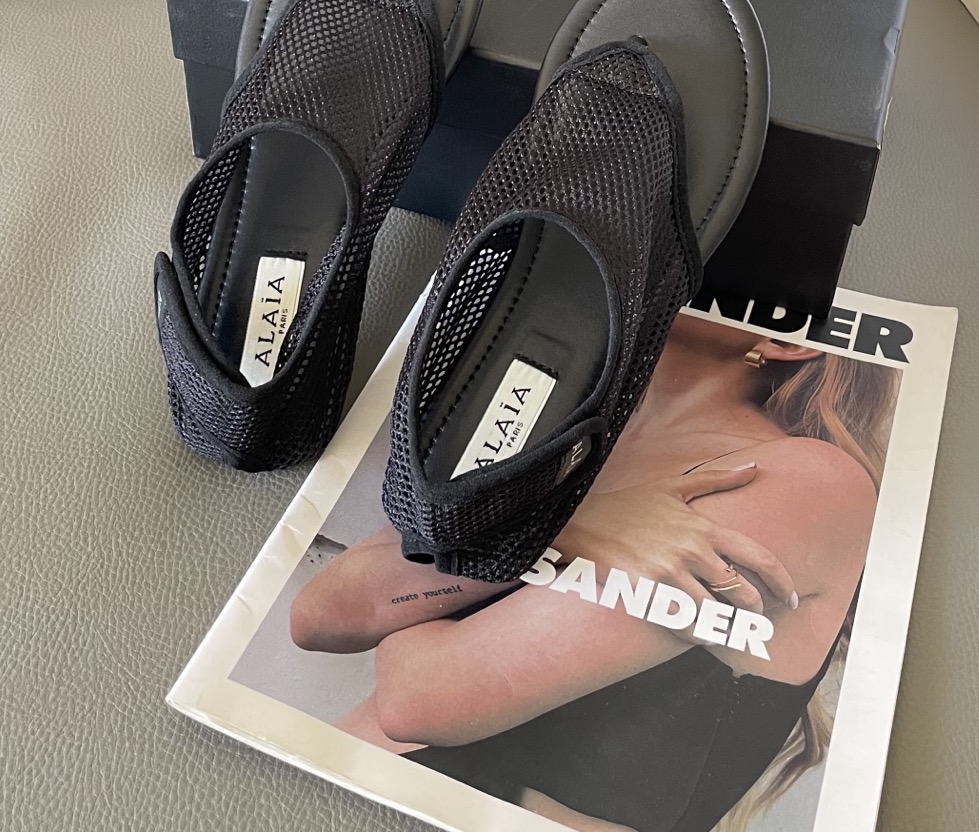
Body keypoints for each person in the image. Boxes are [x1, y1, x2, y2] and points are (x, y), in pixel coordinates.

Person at [289, 313, 899, 832]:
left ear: (784, 340)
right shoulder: (572, 425)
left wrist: (510, 528)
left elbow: (417, 696)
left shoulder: (807, 483)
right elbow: (321, 614)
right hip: (319, 801)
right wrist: (581, 524)